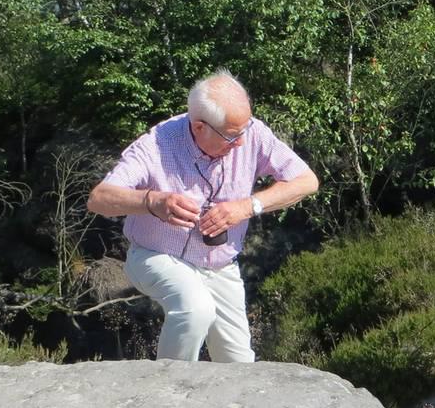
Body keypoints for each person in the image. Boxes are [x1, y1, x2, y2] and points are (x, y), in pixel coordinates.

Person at [87, 70, 319, 363]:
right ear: (199, 127)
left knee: (238, 363)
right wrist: (152, 201)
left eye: (245, 130)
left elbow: (306, 181)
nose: (241, 143)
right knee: (195, 309)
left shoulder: (251, 132)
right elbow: (99, 199)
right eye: (232, 136)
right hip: (157, 254)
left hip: (220, 265)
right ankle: (169, 384)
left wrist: (247, 206)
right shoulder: (156, 145)